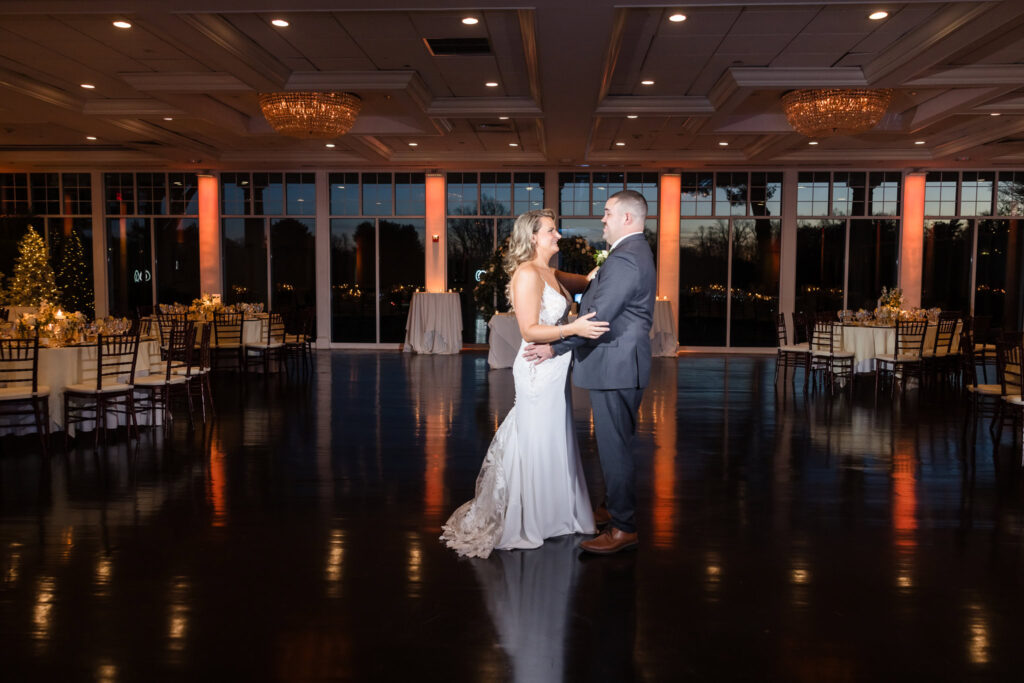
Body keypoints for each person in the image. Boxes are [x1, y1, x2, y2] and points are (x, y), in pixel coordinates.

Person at [441, 208, 609, 559]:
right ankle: (532, 518)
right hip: (536, 367)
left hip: (555, 368)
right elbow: (529, 331)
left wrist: (604, 269)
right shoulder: (526, 274)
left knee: (554, 435)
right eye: (551, 230)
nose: (558, 236)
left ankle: (560, 514)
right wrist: (573, 328)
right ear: (533, 237)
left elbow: (585, 281)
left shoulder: (550, 272)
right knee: (537, 436)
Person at [523, 189, 656, 555]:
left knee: (615, 450)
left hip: (615, 366)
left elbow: (596, 318)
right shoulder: (628, 254)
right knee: (615, 446)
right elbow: (592, 288)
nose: (603, 219)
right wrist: (545, 272)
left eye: (608, 212)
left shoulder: (627, 259)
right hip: (619, 365)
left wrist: (553, 347)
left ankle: (624, 527)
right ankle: (611, 507)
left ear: (627, 218)